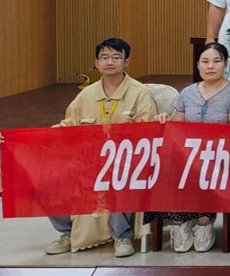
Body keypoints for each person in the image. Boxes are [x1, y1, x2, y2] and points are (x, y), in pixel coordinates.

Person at [37, 38, 158, 258]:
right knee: (47, 182)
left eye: (116, 57)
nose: (110, 62)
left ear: (126, 62)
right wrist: (25, 139)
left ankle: (122, 235)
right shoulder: (86, 95)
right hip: (87, 161)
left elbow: (148, 133)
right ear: (96, 63)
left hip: (125, 160)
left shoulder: (140, 93)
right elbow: (67, 127)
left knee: (122, 177)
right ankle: (68, 232)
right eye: (104, 57)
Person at [152, 43, 230, 253]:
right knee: (167, 168)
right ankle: (180, 223)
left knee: (204, 169)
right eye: (205, 61)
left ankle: (204, 223)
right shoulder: (187, 93)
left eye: (216, 61)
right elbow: (177, 130)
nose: (210, 66)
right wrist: (165, 119)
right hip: (188, 155)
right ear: (198, 65)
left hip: (220, 156)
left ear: (226, 64)